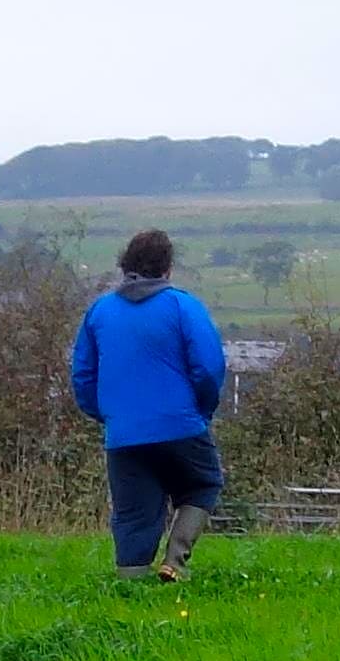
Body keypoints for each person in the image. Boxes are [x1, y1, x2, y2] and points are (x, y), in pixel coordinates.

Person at [71, 229, 227, 581]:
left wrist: (108, 415)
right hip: (181, 424)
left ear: (125, 266)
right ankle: (175, 561)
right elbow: (209, 367)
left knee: (133, 514)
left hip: (123, 433)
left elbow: (82, 375)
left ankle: (131, 582)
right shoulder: (182, 305)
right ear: (167, 268)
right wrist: (201, 410)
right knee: (203, 483)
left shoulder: (99, 311)